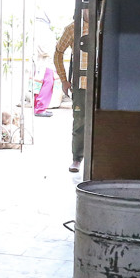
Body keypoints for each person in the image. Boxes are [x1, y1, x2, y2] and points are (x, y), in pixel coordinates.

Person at [54, 21, 84, 173]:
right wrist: (64, 80)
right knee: (79, 122)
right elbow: (58, 52)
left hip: (102, 82)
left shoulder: (104, 22)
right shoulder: (72, 29)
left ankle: (100, 159)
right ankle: (77, 158)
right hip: (80, 83)